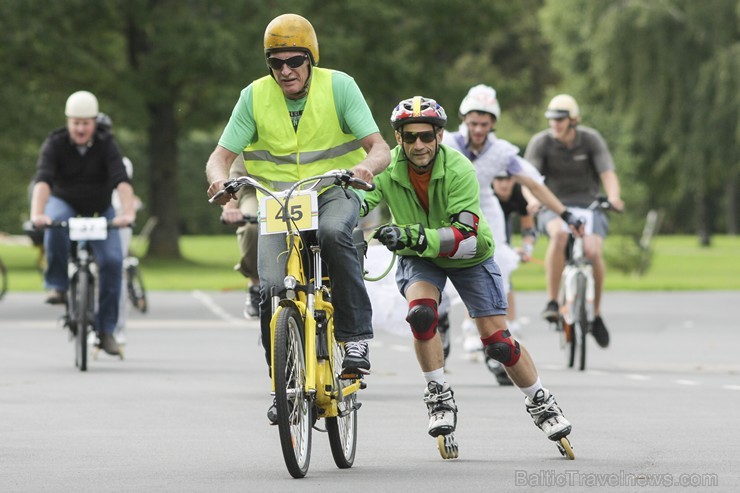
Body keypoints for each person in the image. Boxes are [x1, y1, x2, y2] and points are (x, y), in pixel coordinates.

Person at [205, 14, 391, 422]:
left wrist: (365, 169)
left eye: (294, 61)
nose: (285, 70)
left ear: (311, 58)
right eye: (276, 62)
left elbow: (379, 147)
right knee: (272, 289)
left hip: (332, 191)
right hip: (279, 201)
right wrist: (221, 183)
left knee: (332, 233)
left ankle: (356, 338)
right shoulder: (253, 96)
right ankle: (283, 388)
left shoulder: (340, 85)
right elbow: (219, 159)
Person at [363, 95, 574, 448]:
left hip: (468, 253)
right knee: (421, 315)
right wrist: (341, 210)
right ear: (398, 138)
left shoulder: (460, 169)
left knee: (498, 343)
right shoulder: (388, 168)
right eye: (410, 136)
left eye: (426, 136)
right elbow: (362, 198)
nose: (419, 145)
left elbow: (463, 234)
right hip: (420, 255)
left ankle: (540, 401)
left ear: (440, 136)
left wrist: (409, 235)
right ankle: (438, 394)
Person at [441, 84, 580, 382]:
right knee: (440, 268)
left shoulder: (501, 152)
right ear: (464, 119)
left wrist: (564, 213)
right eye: (474, 123)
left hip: (484, 211)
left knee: (497, 273)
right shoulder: (445, 141)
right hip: (446, 208)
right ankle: (442, 319)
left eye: (485, 124)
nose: (478, 129)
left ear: (493, 124)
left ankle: (495, 346)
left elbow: (534, 184)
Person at [29, 91, 136, 356]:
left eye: (85, 123)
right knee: (55, 225)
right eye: (75, 123)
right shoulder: (54, 143)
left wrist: (128, 213)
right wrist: (37, 214)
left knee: (112, 261)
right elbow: (43, 179)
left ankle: (106, 330)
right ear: (68, 122)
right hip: (64, 201)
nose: (80, 128)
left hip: (100, 208)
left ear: (93, 123)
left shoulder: (106, 142)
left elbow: (121, 180)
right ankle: (58, 285)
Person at [524, 94, 624, 348]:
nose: (555, 123)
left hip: (588, 205)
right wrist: (532, 200)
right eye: (552, 119)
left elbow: (607, 173)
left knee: (592, 250)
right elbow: (528, 180)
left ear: (573, 120)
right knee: (560, 235)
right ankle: (552, 302)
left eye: (560, 119)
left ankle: (597, 314)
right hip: (553, 205)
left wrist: (613, 197)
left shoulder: (590, 139)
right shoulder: (541, 143)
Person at [493, 170, 537, 336]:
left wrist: (526, 250)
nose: (504, 184)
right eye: (499, 178)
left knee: (506, 274)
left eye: (508, 179)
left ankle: (511, 323)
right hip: (485, 225)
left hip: (504, 228)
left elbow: (528, 229)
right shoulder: (485, 191)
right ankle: (470, 326)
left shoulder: (518, 193)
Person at [220, 159, 260, 318]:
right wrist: (230, 208)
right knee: (252, 226)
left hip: (307, 189)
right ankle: (256, 284)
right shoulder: (252, 134)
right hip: (259, 190)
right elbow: (237, 173)